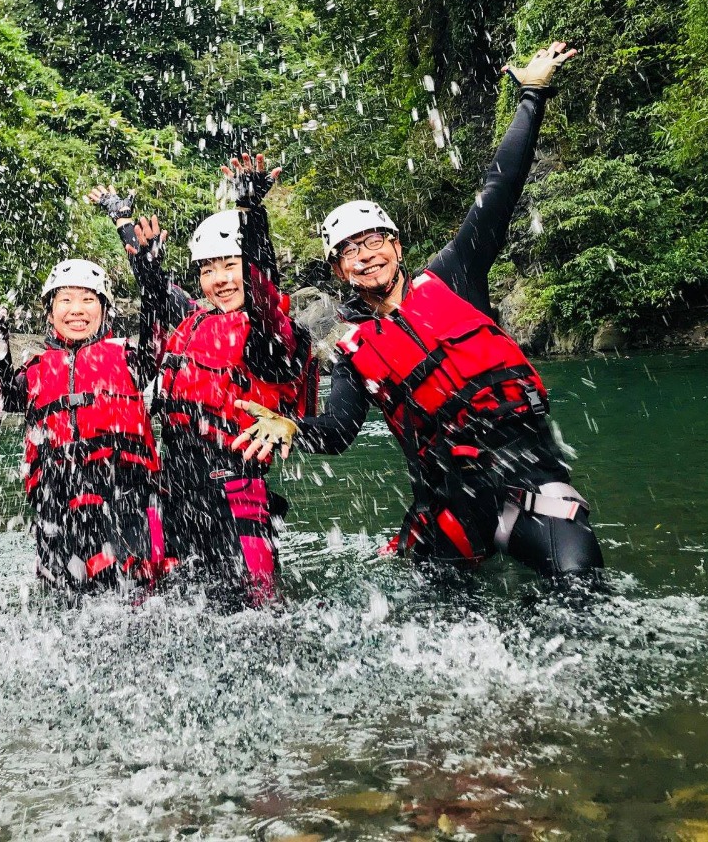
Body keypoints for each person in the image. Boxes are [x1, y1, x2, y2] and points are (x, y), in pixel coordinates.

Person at [233, 42, 604, 578]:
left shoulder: (454, 276)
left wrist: (531, 94)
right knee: (445, 609)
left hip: (527, 478)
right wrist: (294, 427)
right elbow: (337, 431)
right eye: (350, 252)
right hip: (449, 504)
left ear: (398, 247)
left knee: (580, 579)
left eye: (375, 241)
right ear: (339, 272)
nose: (366, 255)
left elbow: (500, 190)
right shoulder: (353, 353)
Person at [91, 156, 317, 606]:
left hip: (235, 501)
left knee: (254, 618)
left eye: (229, 265)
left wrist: (252, 215)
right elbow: (154, 289)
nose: (219, 280)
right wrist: (122, 222)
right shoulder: (194, 321)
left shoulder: (266, 334)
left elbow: (263, 290)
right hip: (176, 497)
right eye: (208, 269)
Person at [0, 258, 167, 593]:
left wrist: (150, 273)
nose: (77, 310)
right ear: (50, 312)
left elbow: (155, 331)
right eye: (66, 300)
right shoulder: (35, 370)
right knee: (64, 599)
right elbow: (1, 394)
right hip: (57, 501)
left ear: (105, 310)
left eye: (88, 300)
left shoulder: (131, 358)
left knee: (132, 596)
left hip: (122, 494)